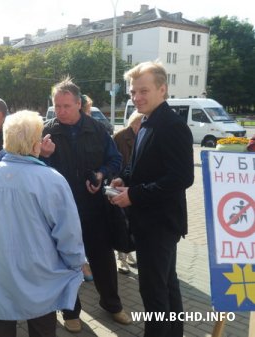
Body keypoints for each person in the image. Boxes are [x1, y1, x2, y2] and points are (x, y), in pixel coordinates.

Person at [0, 110, 85, 337]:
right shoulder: (52, 180)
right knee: (43, 326)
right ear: (36, 143)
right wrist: (76, 263)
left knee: (2, 325)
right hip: (40, 273)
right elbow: (68, 233)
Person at [110, 61, 194, 337]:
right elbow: (143, 165)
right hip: (149, 222)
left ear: (162, 89)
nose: (137, 97)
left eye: (143, 91)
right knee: (167, 286)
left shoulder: (171, 125)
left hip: (160, 224)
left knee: (154, 292)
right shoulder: (147, 121)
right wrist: (125, 178)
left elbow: (181, 178)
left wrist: (134, 194)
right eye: (133, 92)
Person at [40, 77, 130, 333]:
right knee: (67, 262)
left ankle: (112, 305)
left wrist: (102, 174)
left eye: (66, 106)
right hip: (61, 211)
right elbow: (35, 172)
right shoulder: (47, 131)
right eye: (57, 106)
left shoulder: (98, 129)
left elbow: (115, 161)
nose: (60, 111)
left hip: (94, 209)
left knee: (102, 259)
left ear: (79, 104)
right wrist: (43, 157)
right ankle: (70, 311)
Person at [112, 111, 144, 274]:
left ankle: (130, 253)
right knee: (123, 224)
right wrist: (118, 179)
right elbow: (115, 160)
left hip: (136, 188)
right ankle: (121, 258)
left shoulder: (144, 135)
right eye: (140, 123)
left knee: (132, 223)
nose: (142, 126)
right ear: (133, 123)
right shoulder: (120, 137)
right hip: (121, 186)